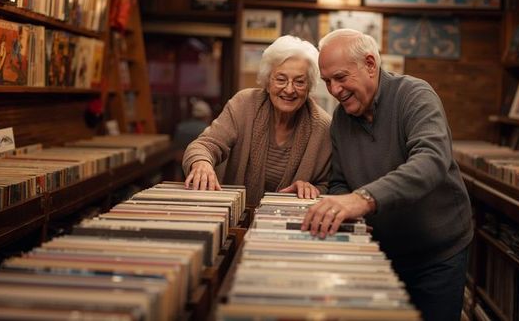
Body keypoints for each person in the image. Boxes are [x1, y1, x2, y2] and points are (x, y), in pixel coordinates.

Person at [302, 29, 473, 321]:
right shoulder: (341, 119)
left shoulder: (415, 95)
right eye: (327, 81)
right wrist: (338, 207)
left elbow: (431, 161)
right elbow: (341, 180)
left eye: (341, 78)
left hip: (436, 256)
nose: (334, 90)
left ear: (370, 64)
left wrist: (363, 199)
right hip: (377, 255)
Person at [183, 35, 331, 206]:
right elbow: (203, 145)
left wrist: (312, 189)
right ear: (268, 81)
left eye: (299, 82)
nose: (289, 89)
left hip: (288, 225)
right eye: (281, 79)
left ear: (310, 86)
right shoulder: (244, 105)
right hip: (234, 217)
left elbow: (328, 185)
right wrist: (201, 163)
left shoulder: (323, 126)